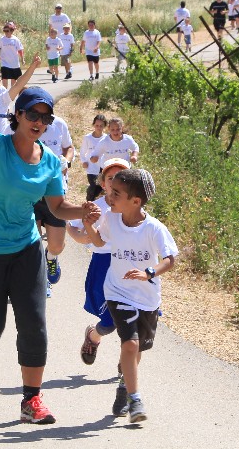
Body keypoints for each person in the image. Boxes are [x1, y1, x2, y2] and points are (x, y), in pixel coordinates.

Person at [0, 83, 100, 424]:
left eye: (46, 117)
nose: (39, 121)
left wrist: (82, 210)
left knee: (34, 324)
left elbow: (57, 207)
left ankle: (30, 401)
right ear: (18, 115)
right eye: (33, 114)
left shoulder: (50, 163)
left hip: (25, 249)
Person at [82, 168, 178, 423]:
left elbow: (170, 259)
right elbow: (100, 242)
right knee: (130, 343)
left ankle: (125, 385)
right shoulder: (111, 218)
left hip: (147, 298)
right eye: (109, 190)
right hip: (117, 291)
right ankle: (136, 400)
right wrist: (89, 225)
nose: (109, 196)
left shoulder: (154, 228)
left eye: (116, 193)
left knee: (138, 348)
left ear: (136, 201)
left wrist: (149, 272)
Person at [66, 157, 130, 369]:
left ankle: (127, 359)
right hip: (103, 263)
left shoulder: (135, 205)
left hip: (129, 264)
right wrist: (85, 237)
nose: (115, 182)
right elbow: (73, 228)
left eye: (121, 177)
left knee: (132, 315)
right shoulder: (96, 206)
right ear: (103, 183)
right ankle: (93, 336)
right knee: (110, 322)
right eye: (111, 178)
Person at [35, 112, 75, 298]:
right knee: (31, 244)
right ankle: (40, 282)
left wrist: (66, 160)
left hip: (56, 191)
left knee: (57, 245)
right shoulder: (22, 126)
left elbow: (69, 147)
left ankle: (51, 257)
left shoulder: (59, 123)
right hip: (31, 192)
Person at [80, 114, 107, 201]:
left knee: (101, 188)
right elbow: (82, 152)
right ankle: (89, 202)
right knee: (94, 187)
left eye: (101, 126)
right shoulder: (88, 138)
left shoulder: (107, 138)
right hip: (91, 168)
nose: (99, 128)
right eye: (97, 125)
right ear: (93, 125)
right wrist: (84, 161)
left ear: (104, 126)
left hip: (103, 168)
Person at [0, 22, 25, 88]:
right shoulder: (2, 39)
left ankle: (11, 96)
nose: (5, 32)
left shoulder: (15, 40)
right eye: (4, 31)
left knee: (14, 81)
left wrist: (22, 59)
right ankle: (5, 93)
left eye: (7, 31)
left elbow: (20, 50)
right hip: (5, 63)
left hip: (14, 64)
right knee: (4, 78)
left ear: (11, 31)